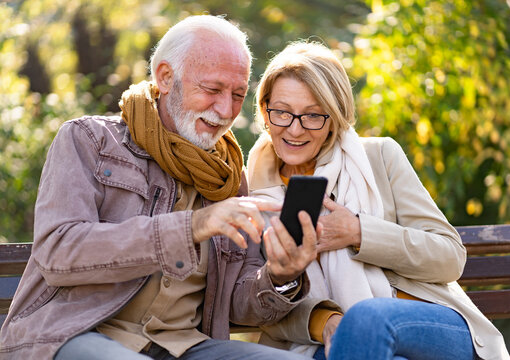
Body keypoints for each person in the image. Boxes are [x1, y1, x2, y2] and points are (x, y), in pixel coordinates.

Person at [0, 16, 318, 360]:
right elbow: (58, 252)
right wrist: (191, 226)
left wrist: (280, 276)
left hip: (184, 346)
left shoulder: (230, 177)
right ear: (166, 77)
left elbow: (238, 308)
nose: (226, 110)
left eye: (238, 94)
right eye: (212, 90)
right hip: (71, 335)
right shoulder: (88, 139)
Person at [246, 41, 510, 360]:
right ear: (264, 110)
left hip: (429, 327)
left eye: (313, 116)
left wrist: (359, 232)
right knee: (360, 337)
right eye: (282, 113)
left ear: (335, 116)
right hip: (326, 345)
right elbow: (259, 300)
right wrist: (326, 322)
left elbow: (450, 257)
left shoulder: (379, 157)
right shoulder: (252, 193)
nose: (295, 129)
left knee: (366, 318)